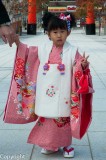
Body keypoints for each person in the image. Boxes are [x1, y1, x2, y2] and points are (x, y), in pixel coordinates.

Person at [4, 12, 94, 158]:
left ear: (68, 32)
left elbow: (78, 66)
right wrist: (19, 44)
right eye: (55, 32)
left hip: (64, 92)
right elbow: (27, 54)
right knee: (47, 119)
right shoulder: (42, 49)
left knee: (63, 120)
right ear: (48, 34)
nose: (59, 35)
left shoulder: (72, 51)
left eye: (62, 31)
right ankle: (49, 144)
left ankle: (66, 144)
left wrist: (82, 65)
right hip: (45, 92)